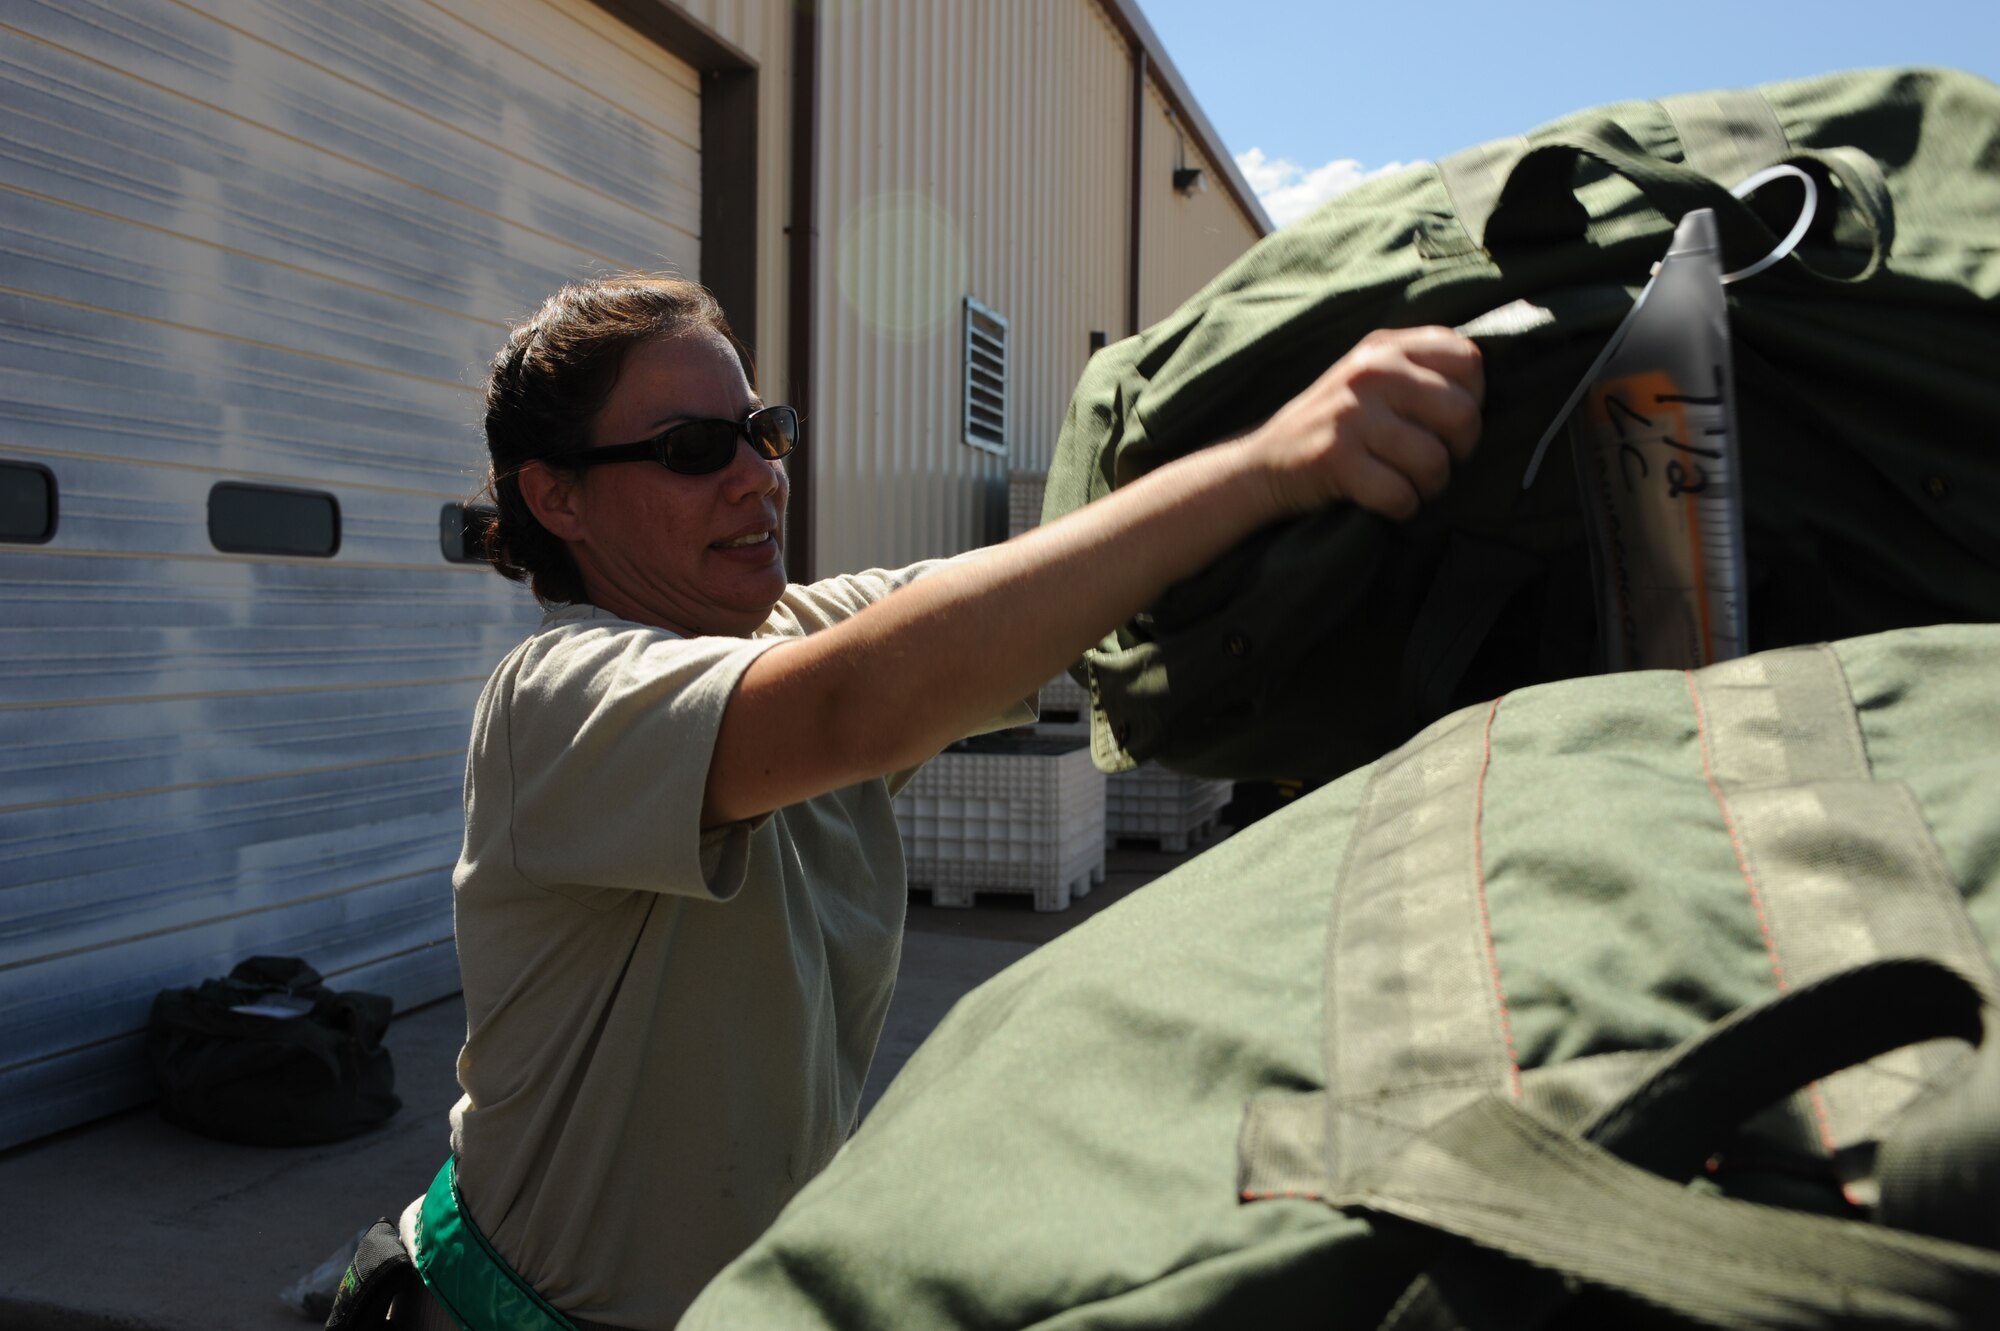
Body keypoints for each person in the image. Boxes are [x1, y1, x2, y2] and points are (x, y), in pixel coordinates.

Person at [396, 273, 1483, 1329]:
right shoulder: (558, 697)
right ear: (556, 497)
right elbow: (851, 708)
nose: (754, 478)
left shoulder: (795, 633)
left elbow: (1003, 605)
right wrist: (1259, 470)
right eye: (692, 451)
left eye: (761, 432)